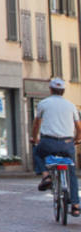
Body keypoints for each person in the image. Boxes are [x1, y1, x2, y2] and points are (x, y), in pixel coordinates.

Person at [30, 77, 81, 217]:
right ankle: (76, 205)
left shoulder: (43, 103)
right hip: (67, 143)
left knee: (37, 151)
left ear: (51, 89)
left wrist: (34, 139)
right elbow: (79, 127)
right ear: (63, 91)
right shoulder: (71, 106)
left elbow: (36, 124)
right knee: (71, 172)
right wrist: (77, 139)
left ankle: (46, 176)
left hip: (48, 142)